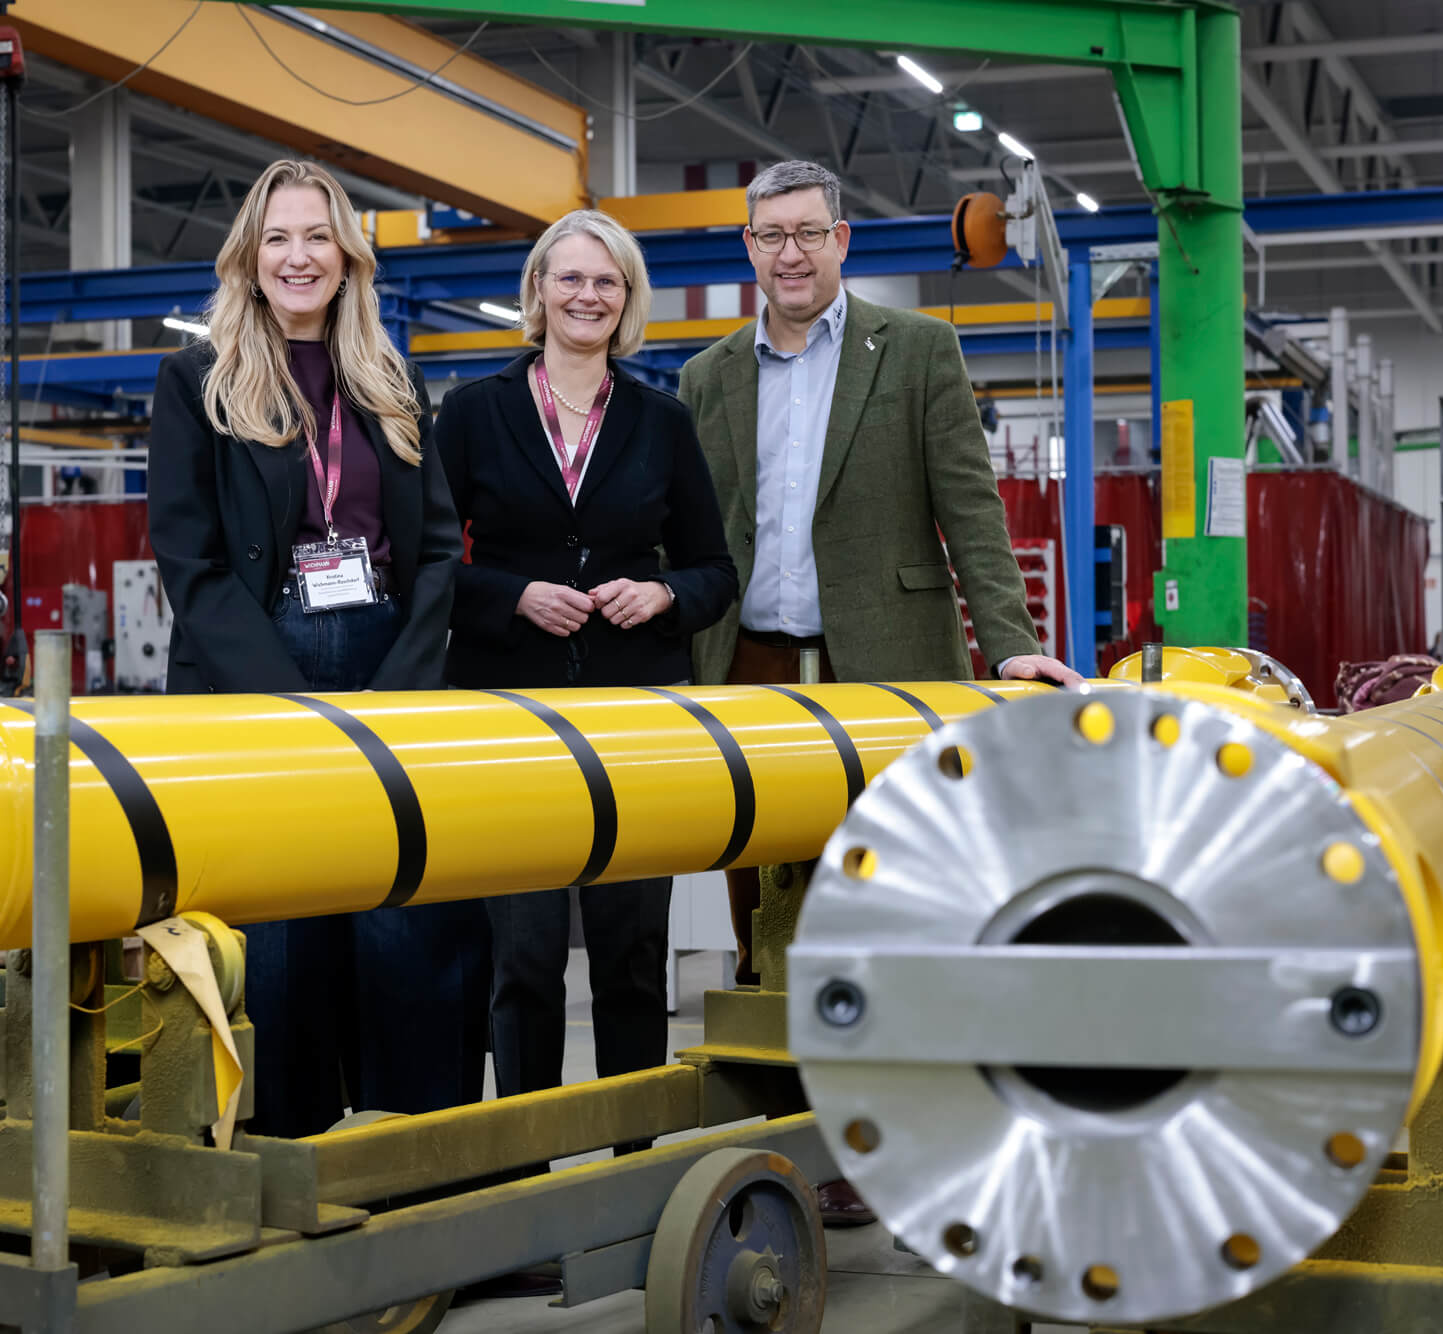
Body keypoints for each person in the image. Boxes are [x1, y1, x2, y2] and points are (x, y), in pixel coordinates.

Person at [678, 159, 1082, 1229]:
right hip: (750, 667)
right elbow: (693, 535)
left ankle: (883, 1134)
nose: (791, 254)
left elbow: (971, 509)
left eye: (808, 233)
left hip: (885, 667)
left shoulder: (916, 351)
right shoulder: (708, 375)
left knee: (885, 899)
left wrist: (1009, 647)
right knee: (759, 913)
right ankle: (782, 1128)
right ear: (749, 248)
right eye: (771, 236)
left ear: (842, 240)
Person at [148, 159, 486, 1138]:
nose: (298, 256)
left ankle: (418, 1151)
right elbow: (191, 563)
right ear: (249, 259)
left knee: (406, 926)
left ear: (348, 257)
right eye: (278, 238)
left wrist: (400, 685)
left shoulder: (391, 379)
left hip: (389, 664)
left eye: (317, 236)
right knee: (281, 941)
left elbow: (436, 549)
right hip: (256, 674)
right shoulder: (195, 380)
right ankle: (283, 1156)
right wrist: (285, 705)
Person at [434, 209, 736, 1127]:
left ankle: (634, 1164)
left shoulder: (662, 421)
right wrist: (512, 596)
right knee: (523, 958)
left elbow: (714, 570)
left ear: (627, 299)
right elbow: (428, 563)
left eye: (607, 281)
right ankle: (523, 1168)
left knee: (631, 954)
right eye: (569, 277)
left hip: (635, 716)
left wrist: (663, 594)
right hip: (510, 716)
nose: (587, 295)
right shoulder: (473, 413)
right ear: (537, 290)